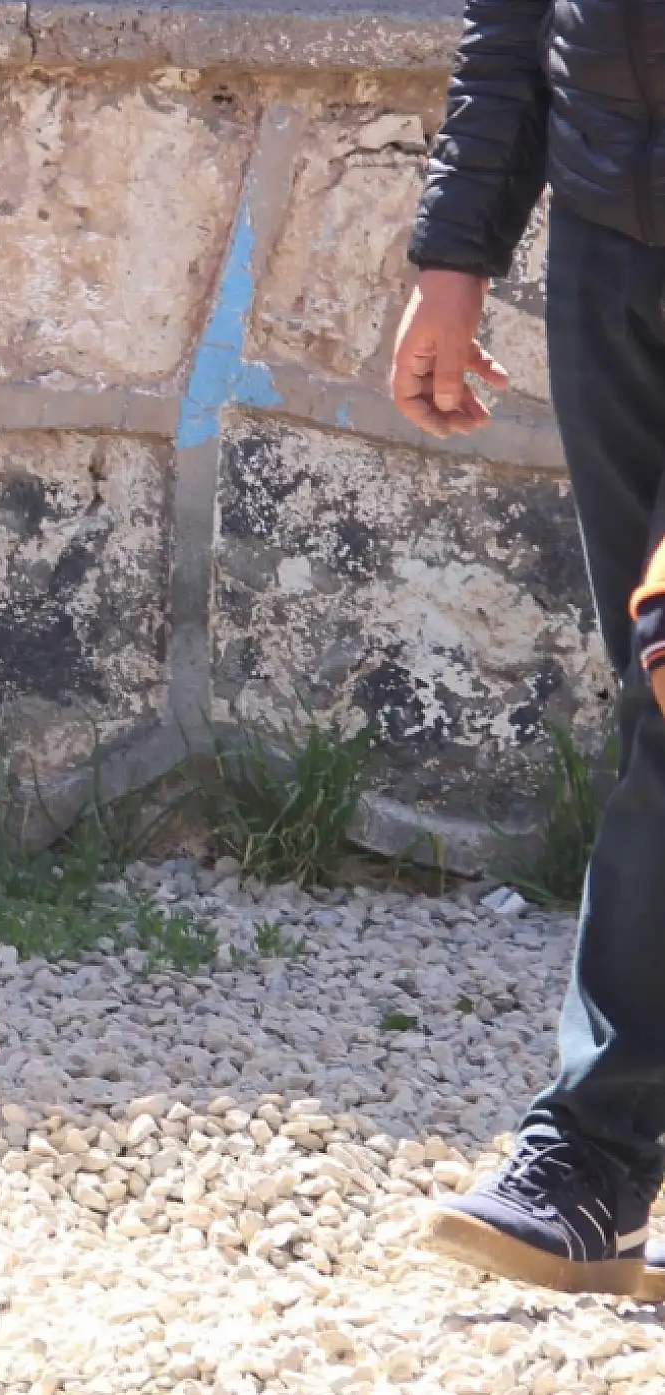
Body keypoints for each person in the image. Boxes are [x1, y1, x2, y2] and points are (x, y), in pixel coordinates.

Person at [393, 0, 665, 1299]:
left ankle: (590, 1147)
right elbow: (515, 19)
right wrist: (456, 255)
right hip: (610, 250)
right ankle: (595, 1167)